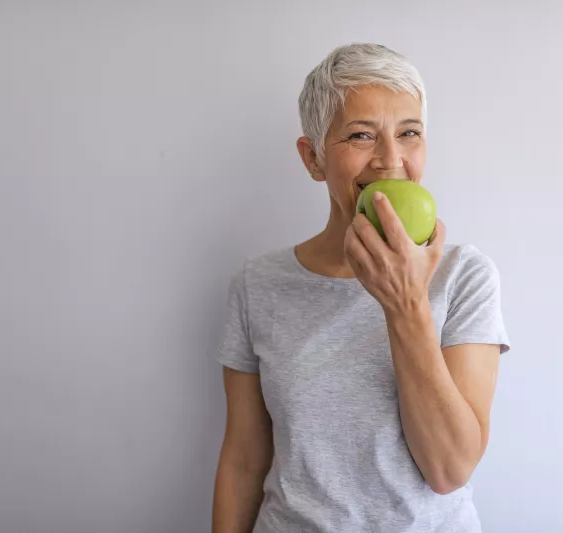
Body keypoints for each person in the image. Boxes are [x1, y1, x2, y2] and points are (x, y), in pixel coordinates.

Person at [211, 43, 510, 533]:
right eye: (361, 135)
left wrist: (407, 304)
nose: (390, 160)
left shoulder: (465, 276)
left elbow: (449, 469)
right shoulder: (257, 285)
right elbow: (243, 460)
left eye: (409, 132)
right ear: (313, 159)